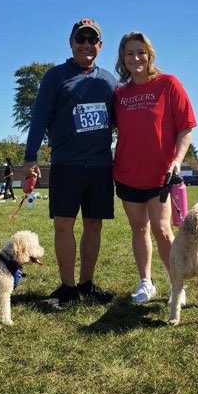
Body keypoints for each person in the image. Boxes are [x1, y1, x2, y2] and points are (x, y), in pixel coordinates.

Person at [24, 18, 117, 306]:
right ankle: (67, 287)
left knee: (94, 225)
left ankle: (87, 285)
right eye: (81, 39)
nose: (86, 44)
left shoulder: (109, 81)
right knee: (63, 224)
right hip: (66, 164)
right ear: (71, 42)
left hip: (100, 166)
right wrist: (30, 157)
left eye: (92, 39)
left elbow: (124, 121)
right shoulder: (55, 77)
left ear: (100, 45)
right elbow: (39, 118)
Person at [113, 31, 197, 304]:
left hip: (160, 175)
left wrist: (177, 160)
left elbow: (185, 128)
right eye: (129, 53)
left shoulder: (168, 84)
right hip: (127, 173)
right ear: (122, 59)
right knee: (139, 229)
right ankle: (145, 282)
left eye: (141, 52)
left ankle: (177, 285)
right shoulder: (120, 94)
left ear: (149, 54)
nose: (136, 58)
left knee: (162, 230)